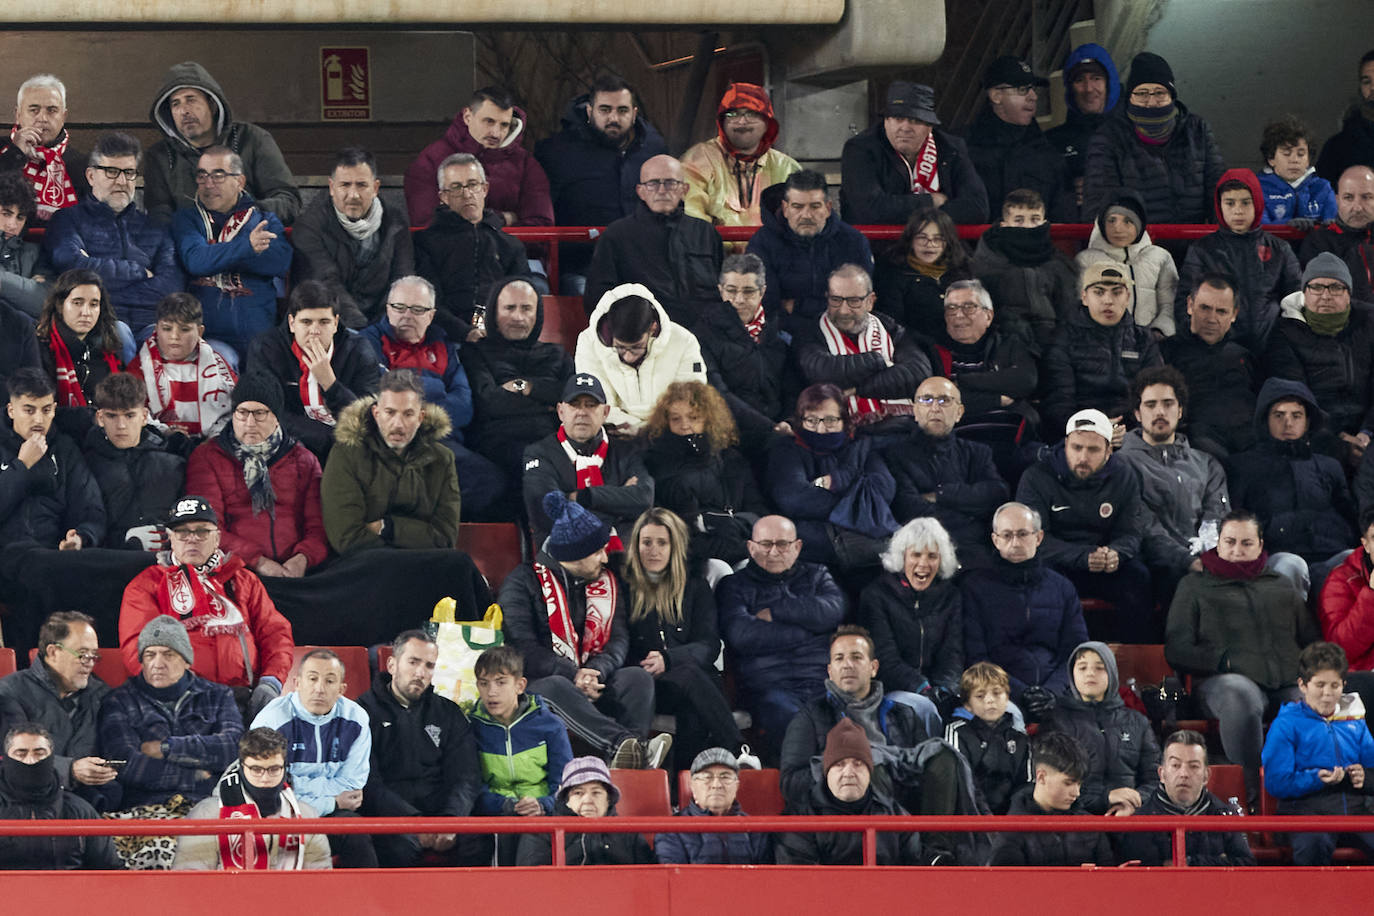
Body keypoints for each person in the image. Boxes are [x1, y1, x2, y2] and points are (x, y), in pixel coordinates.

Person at [500, 491, 669, 769]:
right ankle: (630, 749)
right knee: (555, 686)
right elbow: (521, 650)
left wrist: (596, 671)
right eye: (598, 552)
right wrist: (572, 674)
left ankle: (627, 763)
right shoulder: (521, 583)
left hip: (592, 679)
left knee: (636, 678)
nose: (605, 559)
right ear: (574, 556)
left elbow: (618, 638)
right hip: (541, 683)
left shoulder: (606, 582)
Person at [1166, 510, 1317, 807]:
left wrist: (1307, 672)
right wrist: (1225, 661)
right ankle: (1251, 796)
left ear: (1260, 545)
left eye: (1246, 543)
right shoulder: (1194, 586)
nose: (1237, 551)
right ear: (1217, 544)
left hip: (1284, 680)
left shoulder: (1281, 585)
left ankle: (1309, 796)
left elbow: (1311, 640)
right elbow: (1176, 649)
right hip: (1220, 682)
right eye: (1230, 542)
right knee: (1241, 696)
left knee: (1310, 701)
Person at [359, 275, 505, 517]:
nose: (406, 315)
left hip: (443, 443)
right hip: (394, 443)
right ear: (387, 308)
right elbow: (382, 400)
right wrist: (432, 399)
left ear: (431, 315)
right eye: (399, 307)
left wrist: (410, 406)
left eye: (417, 309)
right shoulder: (368, 341)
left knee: (491, 482)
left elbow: (463, 408)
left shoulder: (444, 345)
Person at [119, 495, 294, 692]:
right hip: (180, 698)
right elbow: (138, 647)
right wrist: (170, 689)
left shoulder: (243, 581)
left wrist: (271, 681)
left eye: (202, 531)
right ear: (172, 539)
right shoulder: (147, 584)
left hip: (244, 697)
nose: (192, 538)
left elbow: (275, 635)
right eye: (182, 532)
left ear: (217, 538)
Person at [622, 507, 750, 766]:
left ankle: (682, 795)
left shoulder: (694, 585)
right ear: (636, 546)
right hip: (649, 683)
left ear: (674, 546)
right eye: (646, 542)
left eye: (662, 543)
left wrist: (669, 659)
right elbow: (619, 641)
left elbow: (709, 645)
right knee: (691, 677)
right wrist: (649, 664)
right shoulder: (624, 585)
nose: (654, 550)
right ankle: (739, 752)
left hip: (693, 681)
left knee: (693, 712)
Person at [1015, 409, 1152, 641]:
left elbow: (1131, 531)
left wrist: (1117, 554)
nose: (1082, 457)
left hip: (1106, 564)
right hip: (1057, 563)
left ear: (1109, 451)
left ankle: (1133, 665)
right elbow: (1034, 539)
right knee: (1038, 579)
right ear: (1066, 444)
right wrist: (1083, 556)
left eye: (1093, 449)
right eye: (1076, 448)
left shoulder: (1124, 476)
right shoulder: (1036, 476)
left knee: (1139, 578)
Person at [716, 515, 846, 759]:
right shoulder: (733, 585)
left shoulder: (817, 575)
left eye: (782, 544)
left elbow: (833, 610)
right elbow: (743, 635)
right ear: (750, 547)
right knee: (793, 722)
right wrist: (810, 630)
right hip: (769, 686)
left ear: (797, 547)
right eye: (766, 544)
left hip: (822, 681)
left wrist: (776, 612)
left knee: (850, 719)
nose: (774, 552)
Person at [357, 629, 485, 867]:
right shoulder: (362, 713)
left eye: (429, 666)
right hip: (392, 818)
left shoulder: (449, 713)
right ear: (392, 665)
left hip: (442, 816)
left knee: (479, 840)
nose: (420, 673)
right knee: (397, 847)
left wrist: (451, 820)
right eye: (413, 662)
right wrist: (413, 822)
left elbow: (466, 776)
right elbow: (368, 782)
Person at [183, 372, 327, 577]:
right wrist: (258, 562)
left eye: (260, 413)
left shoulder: (305, 461)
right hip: (238, 572)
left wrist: (303, 558)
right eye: (242, 412)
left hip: (298, 572)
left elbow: (318, 526)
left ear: (276, 417)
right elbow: (208, 527)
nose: (250, 423)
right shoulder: (207, 457)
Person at [535, 75, 668, 289]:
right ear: (589, 111)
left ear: (634, 114)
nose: (613, 118)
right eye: (605, 110)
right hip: (581, 265)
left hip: (643, 263)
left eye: (622, 110)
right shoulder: (558, 152)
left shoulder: (653, 148)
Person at [44, 132, 183, 334]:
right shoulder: (67, 220)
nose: (121, 181)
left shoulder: (156, 227)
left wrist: (106, 284)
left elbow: (171, 286)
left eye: (129, 172)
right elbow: (73, 269)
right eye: (111, 171)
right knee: (121, 335)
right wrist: (141, 273)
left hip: (154, 326)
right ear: (91, 176)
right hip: (97, 326)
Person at [97, 615, 242, 808]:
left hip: (210, 805)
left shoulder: (218, 695)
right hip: (145, 808)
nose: (158, 663)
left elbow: (233, 748)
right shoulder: (119, 701)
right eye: (150, 655)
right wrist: (192, 776)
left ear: (187, 661)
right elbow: (126, 764)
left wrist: (167, 748)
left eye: (169, 654)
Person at [1226, 378, 1358, 589]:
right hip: (1276, 556)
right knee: (1291, 566)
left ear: (1307, 422)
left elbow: (1349, 515)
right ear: (1265, 420)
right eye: (1279, 416)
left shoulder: (1329, 465)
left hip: (1329, 550)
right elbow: (1237, 520)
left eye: (1296, 416)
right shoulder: (1243, 466)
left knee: (1354, 561)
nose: (1288, 423)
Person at [251, 649, 377, 868]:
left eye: (329, 681)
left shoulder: (356, 718)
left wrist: (300, 787)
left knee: (356, 831)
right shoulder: (271, 720)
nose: (319, 688)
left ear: (341, 689)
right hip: (278, 815)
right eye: (312, 679)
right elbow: (268, 788)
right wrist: (332, 801)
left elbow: (352, 785)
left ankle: (366, 901)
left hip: (330, 815)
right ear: (297, 683)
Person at [960, 502, 1089, 711]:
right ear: (995, 540)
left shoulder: (1062, 587)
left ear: (1038, 538)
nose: (1015, 543)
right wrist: (1021, 693)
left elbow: (1076, 652)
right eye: (1007, 535)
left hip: (1056, 695)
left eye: (1022, 534)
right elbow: (976, 657)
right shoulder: (974, 588)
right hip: (998, 695)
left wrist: (1052, 693)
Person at [1115, 366, 1230, 598]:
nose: (1160, 411)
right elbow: (1144, 526)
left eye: (1168, 404)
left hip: (1205, 561)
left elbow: (1216, 516)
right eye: (1150, 405)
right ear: (1137, 413)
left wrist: (1209, 555)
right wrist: (1187, 561)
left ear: (1180, 411)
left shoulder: (1207, 463)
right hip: (1157, 565)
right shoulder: (1121, 464)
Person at [320, 368, 461, 555]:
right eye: (390, 413)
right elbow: (346, 537)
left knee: (461, 565)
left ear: (420, 417)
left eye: (408, 414)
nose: (398, 425)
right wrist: (414, 537)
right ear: (376, 413)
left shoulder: (442, 459)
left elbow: (445, 537)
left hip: (424, 564)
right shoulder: (347, 453)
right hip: (365, 566)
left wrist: (387, 527)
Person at [144, 62, 300, 226]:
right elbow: (159, 215)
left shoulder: (253, 139)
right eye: (176, 104)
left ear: (212, 105)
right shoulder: (159, 156)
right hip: (191, 246)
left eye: (191, 100)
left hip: (252, 240)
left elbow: (288, 201)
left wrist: (244, 216)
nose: (184, 111)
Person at [172, 146, 292, 357]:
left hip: (259, 334)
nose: (208, 184)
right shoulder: (187, 219)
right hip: (206, 335)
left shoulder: (264, 219)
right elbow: (196, 260)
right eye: (202, 176)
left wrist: (217, 254)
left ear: (240, 181)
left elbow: (280, 261)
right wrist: (248, 247)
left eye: (218, 176)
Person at [1261, 641, 1374, 865]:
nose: (1327, 694)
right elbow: (1276, 783)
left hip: (1355, 814)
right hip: (1305, 816)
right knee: (1315, 843)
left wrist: (1365, 778)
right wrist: (1315, 779)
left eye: (1334, 685)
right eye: (1320, 685)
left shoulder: (1355, 721)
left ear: (1343, 685)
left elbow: (1372, 769)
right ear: (1303, 685)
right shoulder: (1285, 725)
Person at [765, 382, 898, 570]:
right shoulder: (787, 449)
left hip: (864, 536)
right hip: (816, 542)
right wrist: (859, 499)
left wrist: (832, 482)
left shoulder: (859, 446)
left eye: (829, 420)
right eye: (811, 420)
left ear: (844, 420)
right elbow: (795, 498)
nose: (820, 430)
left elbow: (884, 489)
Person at [1081, 51, 1225, 223]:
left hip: (1195, 244)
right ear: (1129, 98)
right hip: (1135, 245)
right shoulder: (1108, 138)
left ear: (1172, 96)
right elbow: (1099, 206)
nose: (1150, 102)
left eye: (1159, 93)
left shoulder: (1197, 130)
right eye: (1141, 93)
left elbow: (1219, 194)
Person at [245, 279, 380, 461]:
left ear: (335, 323)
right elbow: (268, 412)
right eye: (306, 322)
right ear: (292, 323)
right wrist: (327, 438)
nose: (314, 331)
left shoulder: (359, 350)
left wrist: (330, 384)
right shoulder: (266, 348)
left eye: (324, 322)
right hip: (292, 444)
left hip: (349, 446)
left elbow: (366, 419)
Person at [583, 154, 724, 328]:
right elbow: (599, 298)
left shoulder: (706, 233)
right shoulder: (617, 235)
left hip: (708, 334)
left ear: (684, 190)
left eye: (671, 183)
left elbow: (722, 289)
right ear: (640, 192)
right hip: (646, 336)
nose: (662, 190)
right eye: (653, 183)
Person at [462, 275, 575, 492]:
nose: (518, 317)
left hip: (554, 440)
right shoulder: (475, 352)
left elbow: (570, 399)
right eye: (509, 308)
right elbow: (490, 402)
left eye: (526, 309)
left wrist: (525, 387)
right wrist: (547, 403)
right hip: (500, 444)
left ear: (538, 313)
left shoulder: (557, 354)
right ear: (494, 312)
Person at [521, 372, 653, 551]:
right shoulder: (539, 453)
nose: (582, 412)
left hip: (622, 554)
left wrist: (579, 497)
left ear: (605, 412)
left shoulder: (625, 450)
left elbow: (643, 498)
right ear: (561, 411)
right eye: (574, 405)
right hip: (564, 554)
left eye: (591, 405)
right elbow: (549, 511)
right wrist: (618, 502)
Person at [1173, 168, 1301, 350]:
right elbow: (1185, 303)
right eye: (1230, 203)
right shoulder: (1202, 249)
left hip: (1274, 348)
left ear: (1257, 203)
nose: (1238, 211)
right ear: (1219, 206)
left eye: (1246, 203)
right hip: (1218, 349)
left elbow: (1296, 299)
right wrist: (1203, 343)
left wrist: (1286, 340)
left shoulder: (1280, 249)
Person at [886, 376, 1008, 566]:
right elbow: (908, 507)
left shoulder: (977, 452)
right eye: (926, 400)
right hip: (922, 551)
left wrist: (940, 495)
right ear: (915, 411)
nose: (935, 408)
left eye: (944, 400)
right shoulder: (894, 454)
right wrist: (970, 514)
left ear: (959, 412)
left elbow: (996, 494)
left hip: (974, 551)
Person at [643, 381, 766, 568]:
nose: (685, 426)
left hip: (743, 545)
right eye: (676, 419)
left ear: (709, 419)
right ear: (666, 422)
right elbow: (682, 532)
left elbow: (758, 512)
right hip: (694, 559)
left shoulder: (732, 459)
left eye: (693, 418)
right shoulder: (659, 463)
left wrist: (737, 526)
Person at [792, 264, 931, 429]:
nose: (844, 310)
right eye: (836, 300)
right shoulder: (810, 332)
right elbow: (823, 372)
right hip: (841, 434)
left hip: (900, 427)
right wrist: (878, 361)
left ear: (870, 301)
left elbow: (917, 373)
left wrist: (857, 389)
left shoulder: (891, 329)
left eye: (854, 301)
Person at [1266, 252, 1374, 464]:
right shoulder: (1285, 332)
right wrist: (1340, 441)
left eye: (1335, 287)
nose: (1325, 295)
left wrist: (1367, 433)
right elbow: (1295, 395)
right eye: (1316, 287)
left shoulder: (1369, 324)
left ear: (1348, 294)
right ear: (1304, 292)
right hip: (1316, 435)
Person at [174, 727, 332, 870]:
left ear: (285, 768)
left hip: (291, 899)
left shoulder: (306, 815)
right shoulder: (207, 814)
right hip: (226, 899)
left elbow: (320, 879)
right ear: (242, 768)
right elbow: (191, 877)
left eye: (274, 769)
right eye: (256, 769)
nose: (265, 778)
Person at [856, 519, 963, 727]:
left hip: (938, 689)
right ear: (902, 557)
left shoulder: (951, 596)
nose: (923, 564)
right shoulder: (876, 595)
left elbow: (953, 652)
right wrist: (922, 688)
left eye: (932, 556)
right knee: (924, 708)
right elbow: (885, 658)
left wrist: (944, 689)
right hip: (893, 688)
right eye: (916, 554)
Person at [292, 147, 415, 327]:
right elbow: (326, 284)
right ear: (332, 187)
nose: (353, 195)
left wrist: (384, 328)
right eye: (345, 185)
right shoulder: (309, 226)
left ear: (375, 188)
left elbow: (402, 280)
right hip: (332, 323)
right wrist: (362, 331)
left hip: (387, 322)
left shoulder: (395, 222)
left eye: (361, 185)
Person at [414, 153, 530, 341]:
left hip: (500, 338)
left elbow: (523, 298)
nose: (467, 194)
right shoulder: (425, 243)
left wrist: (497, 330)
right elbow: (428, 302)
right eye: (456, 187)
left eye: (473, 185)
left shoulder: (510, 245)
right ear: (443, 196)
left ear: (484, 189)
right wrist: (464, 332)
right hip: (444, 338)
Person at [0, 612, 116, 801]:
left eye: (94, 656)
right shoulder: (10, 692)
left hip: (94, 802)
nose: (90, 664)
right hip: (29, 801)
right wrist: (70, 770)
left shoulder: (101, 694)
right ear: (53, 652)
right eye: (82, 654)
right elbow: (12, 758)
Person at [776, 719, 922, 866]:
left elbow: (914, 870)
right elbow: (798, 880)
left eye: (858, 764)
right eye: (839, 764)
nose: (849, 773)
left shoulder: (895, 815)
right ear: (826, 773)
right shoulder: (799, 819)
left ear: (869, 772)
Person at [404, 86, 552, 230]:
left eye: (504, 125)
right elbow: (427, 225)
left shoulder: (525, 163)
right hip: (453, 254)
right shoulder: (431, 160)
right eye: (489, 121)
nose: (496, 133)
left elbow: (541, 225)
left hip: (514, 253)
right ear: (468, 117)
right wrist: (504, 219)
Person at [840, 80, 988, 226]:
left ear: (929, 126)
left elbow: (978, 208)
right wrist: (931, 201)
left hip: (938, 244)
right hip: (877, 247)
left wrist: (905, 211)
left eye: (915, 120)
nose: (905, 127)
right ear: (886, 121)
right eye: (898, 118)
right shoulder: (860, 149)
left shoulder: (951, 148)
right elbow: (871, 210)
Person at [1041, 262, 1162, 436]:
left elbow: (1154, 397)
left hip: (1132, 433)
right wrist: (1094, 429)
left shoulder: (1143, 339)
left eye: (1117, 292)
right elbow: (1058, 402)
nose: (1108, 300)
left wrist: (1130, 431)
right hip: (1079, 434)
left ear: (1128, 297)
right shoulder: (1063, 339)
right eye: (1098, 292)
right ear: (1084, 297)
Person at [1042, 641, 1160, 816]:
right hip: (1077, 819)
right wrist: (1106, 797)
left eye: (1099, 668)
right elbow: (1054, 784)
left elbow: (1156, 777)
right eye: (1082, 668)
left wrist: (1136, 800)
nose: (1090, 673)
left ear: (1112, 673)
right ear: (1072, 674)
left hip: (1132, 815)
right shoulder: (1056, 721)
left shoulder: (1137, 721)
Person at [574, 283, 707, 435]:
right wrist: (637, 430)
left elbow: (689, 401)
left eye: (636, 348)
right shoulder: (588, 342)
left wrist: (654, 432)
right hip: (616, 433)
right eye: (620, 348)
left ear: (653, 328)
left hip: (669, 433)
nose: (628, 356)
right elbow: (599, 404)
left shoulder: (684, 340)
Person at [746, 170, 872, 330]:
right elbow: (766, 306)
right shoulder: (762, 242)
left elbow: (858, 303)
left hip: (842, 331)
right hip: (784, 335)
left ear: (828, 207)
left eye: (815, 206)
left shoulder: (854, 241)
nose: (806, 215)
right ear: (785, 209)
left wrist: (797, 306)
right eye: (797, 207)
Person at [696, 253, 795, 452]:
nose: (739, 300)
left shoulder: (778, 332)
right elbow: (718, 392)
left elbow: (792, 385)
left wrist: (790, 420)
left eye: (748, 291)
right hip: (729, 436)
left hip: (781, 431)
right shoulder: (702, 334)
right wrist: (770, 427)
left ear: (762, 292)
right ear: (720, 291)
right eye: (731, 291)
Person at [1117, 729, 1257, 866]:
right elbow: (1135, 873)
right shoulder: (1141, 820)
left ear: (1206, 776)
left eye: (1194, 766)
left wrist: (1191, 863)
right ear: (1162, 774)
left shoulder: (1223, 815)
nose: (1184, 773)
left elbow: (1246, 865)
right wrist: (1219, 862)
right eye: (1176, 765)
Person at [81, 372, 188, 551]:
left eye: (129, 416)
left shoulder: (173, 464)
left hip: (168, 561)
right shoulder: (85, 465)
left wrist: (175, 538)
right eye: (112, 416)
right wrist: (125, 541)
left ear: (144, 416)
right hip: (108, 560)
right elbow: (83, 523)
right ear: (100, 418)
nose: (121, 425)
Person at [1160, 273, 1261, 458]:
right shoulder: (1166, 352)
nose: (1212, 319)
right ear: (1190, 305)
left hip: (1248, 443)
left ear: (1234, 315)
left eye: (1221, 311)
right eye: (1205, 308)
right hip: (1197, 445)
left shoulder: (1245, 354)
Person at [968, 188, 1078, 354]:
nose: (1027, 227)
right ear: (1004, 224)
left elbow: (1068, 311)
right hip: (1004, 340)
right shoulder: (987, 261)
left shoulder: (1060, 264)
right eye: (1019, 221)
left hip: (1054, 342)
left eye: (1035, 220)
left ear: (1044, 222)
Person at [923, 278, 1039, 436]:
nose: (958, 315)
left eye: (968, 307)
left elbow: (1025, 380)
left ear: (989, 316)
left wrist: (961, 382)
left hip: (1010, 435)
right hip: (955, 439)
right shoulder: (932, 349)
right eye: (951, 308)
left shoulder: (1008, 343)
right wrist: (996, 399)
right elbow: (936, 400)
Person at [469, 645, 573, 820]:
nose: (491, 692)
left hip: (542, 815)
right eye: (484, 683)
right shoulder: (472, 728)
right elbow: (472, 787)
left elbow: (566, 785)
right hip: (494, 816)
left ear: (520, 686)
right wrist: (505, 805)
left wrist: (543, 805)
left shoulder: (551, 725)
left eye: (501, 682)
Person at [0, 723, 120, 869]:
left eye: (39, 753)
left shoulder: (80, 810)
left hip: (68, 890)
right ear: (7, 758)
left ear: (52, 757)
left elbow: (110, 870)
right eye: (21, 753)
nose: (30, 761)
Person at [965, 56, 1071, 220]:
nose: (1033, 96)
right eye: (1022, 89)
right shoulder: (965, 150)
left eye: (1033, 89)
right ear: (996, 96)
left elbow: (1064, 217)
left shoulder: (1048, 154)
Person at [985, 732, 1113, 866]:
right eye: (1068, 783)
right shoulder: (1011, 833)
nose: (1076, 793)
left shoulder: (1091, 826)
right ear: (1041, 777)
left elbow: (1109, 878)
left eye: (1079, 784)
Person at [682, 82, 799, 228]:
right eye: (733, 114)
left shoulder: (787, 168)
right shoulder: (698, 160)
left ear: (767, 121)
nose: (742, 122)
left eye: (751, 114)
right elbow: (692, 221)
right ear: (722, 122)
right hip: (715, 250)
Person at [125, 292, 236, 439]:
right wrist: (165, 431)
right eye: (167, 328)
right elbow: (130, 409)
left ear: (200, 331)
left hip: (212, 442)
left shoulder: (218, 365)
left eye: (184, 329)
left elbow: (236, 410)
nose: (174, 336)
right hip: (158, 441)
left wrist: (215, 437)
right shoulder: (140, 367)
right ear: (156, 329)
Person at [1074, 188, 1178, 338]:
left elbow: (1169, 306)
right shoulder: (1085, 260)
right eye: (1111, 220)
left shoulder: (1160, 257)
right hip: (1101, 341)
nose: (1118, 228)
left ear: (1140, 225)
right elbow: (1080, 307)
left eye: (1128, 221)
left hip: (1151, 342)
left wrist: (1159, 332)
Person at [514, 756, 656, 866]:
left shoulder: (630, 834)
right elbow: (531, 883)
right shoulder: (541, 832)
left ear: (608, 799)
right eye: (578, 793)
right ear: (566, 800)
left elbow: (648, 881)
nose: (588, 800)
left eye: (596, 793)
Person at [872, 205, 973, 341]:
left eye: (937, 239)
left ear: (947, 242)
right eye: (922, 237)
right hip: (917, 350)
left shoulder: (963, 269)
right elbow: (894, 326)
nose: (929, 244)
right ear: (911, 240)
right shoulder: (893, 273)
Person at [656, 748, 772, 865]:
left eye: (725, 777)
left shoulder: (755, 829)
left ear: (736, 786)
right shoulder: (671, 830)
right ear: (692, 786)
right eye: (707, 777)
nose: (716, 785)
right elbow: (673, 879)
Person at [943, 662, 1031, 816]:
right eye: (980, 695)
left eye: (997, 693)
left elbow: (1027, 785)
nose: (990, 700)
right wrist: (987, 820)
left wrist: (1012, 820)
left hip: (1012, 823)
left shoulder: (1020, 738)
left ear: (1007, 697)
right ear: (967, 704)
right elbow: (964, 783)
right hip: (972, 820)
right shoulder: (957, 732)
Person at [35, 269, 122, 421]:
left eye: (94, 304)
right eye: (77, 303)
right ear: (60, 306)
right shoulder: (41, 349)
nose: (86, 312)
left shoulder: (109, 352)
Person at [0, 74, 88, 223]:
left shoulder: (80, 164)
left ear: (64, 116)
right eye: (34, 110)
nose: (43, 118)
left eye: (52, 110)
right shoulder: (4, 149)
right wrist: (16, 153)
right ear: (18, 115)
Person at [1044, 43, 1121, 212]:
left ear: (1110, 84)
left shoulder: (1131, 135)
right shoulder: (1051, 141)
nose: (1088, 89)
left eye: (1096, 78)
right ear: (1070, 89)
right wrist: (1069, 194)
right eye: (1079, 80)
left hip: (1123, 233)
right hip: (1073, 233)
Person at [1298, 165, 1374, 303]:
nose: (1357, 207)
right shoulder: (1318, 242)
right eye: (1348, 198)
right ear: (1337, 200)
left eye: (1366, 197)